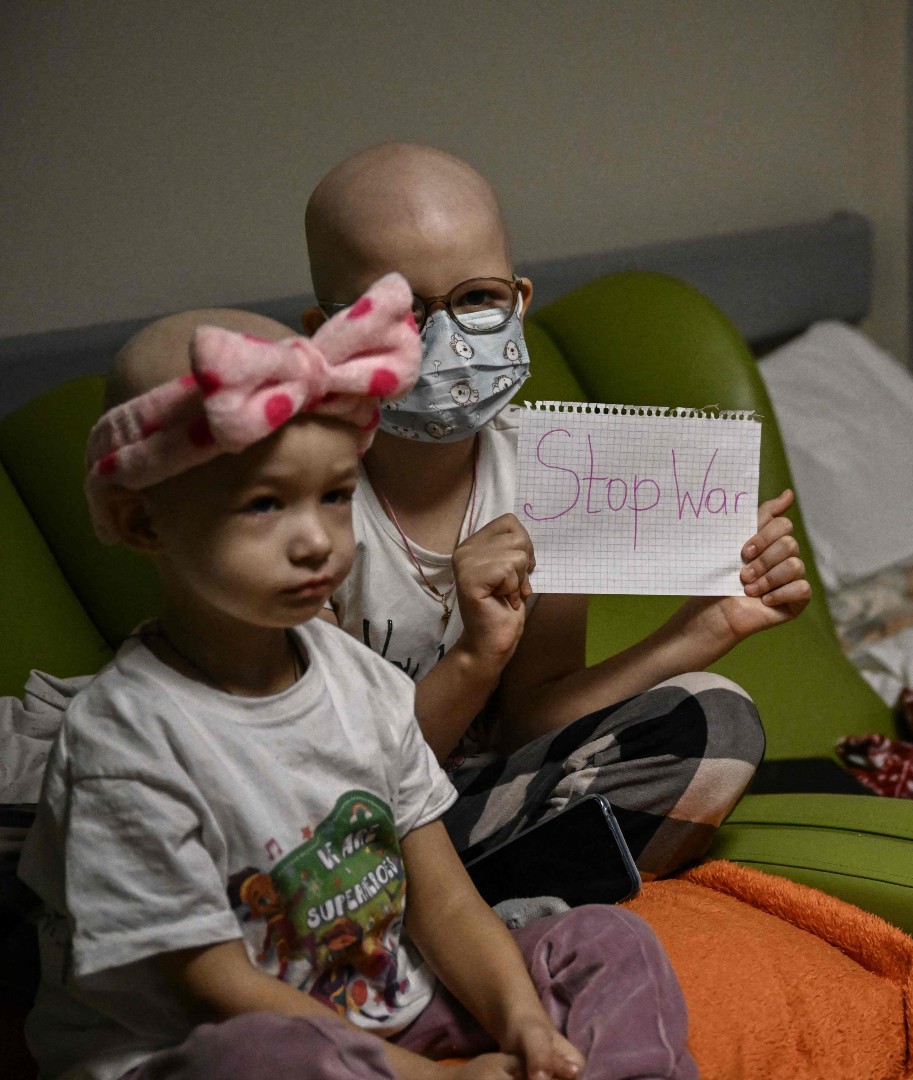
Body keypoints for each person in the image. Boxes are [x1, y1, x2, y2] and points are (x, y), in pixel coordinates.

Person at [22, 279, 694, 1080]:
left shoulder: (357, 678)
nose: (316, 540)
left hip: (384, 1004)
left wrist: (522, 1024)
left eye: (336, 495)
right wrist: (442, 1079)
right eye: (264, 504)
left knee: (608, 941)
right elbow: (215, 987)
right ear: (142, 521)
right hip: (216, 1045)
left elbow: (445, 900)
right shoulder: (124, 744)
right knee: (267, 1057)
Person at [302, 142, 812, 872]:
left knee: (715, 719)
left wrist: (706, 627)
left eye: (476, 299)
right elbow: (343, 777)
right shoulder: (297, 506)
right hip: (344, 826)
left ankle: (464, 898)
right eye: (399, 311)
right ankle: (455, 905)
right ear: (326, 332)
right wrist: (476, 656)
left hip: (476, 810)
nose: (445, 339)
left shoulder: (554, 472)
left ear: (519, 300)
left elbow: (530, 723)